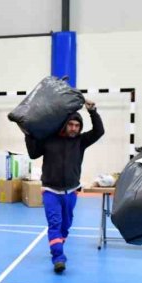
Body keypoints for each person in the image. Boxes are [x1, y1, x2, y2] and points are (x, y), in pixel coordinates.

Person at [25, 101, 104, 273]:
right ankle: (58, 257)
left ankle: (58, 244)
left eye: (77, 126)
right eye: (71, 124)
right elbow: (33, 153)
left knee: (65, 225)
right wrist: (28, 133)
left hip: (71, 191)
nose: (74, 128)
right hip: (51, 191)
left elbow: (99, 131)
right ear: (65, 124)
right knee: (55, 224)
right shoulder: (49, 139)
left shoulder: (81, 141)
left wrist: (92, 111)